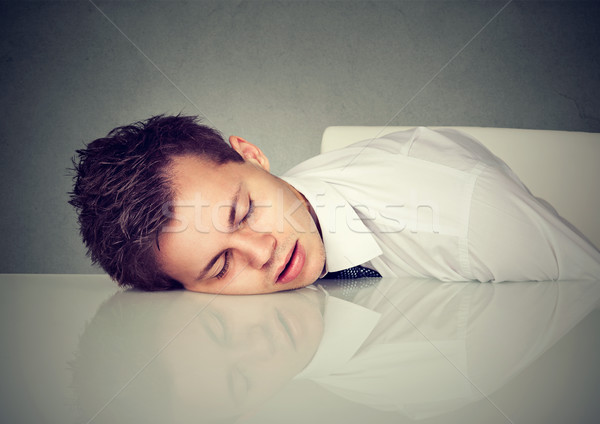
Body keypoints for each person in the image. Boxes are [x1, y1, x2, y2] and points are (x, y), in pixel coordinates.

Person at [69, 115, 600, 294]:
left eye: (244, 211)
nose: (262, 252)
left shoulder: (463, 218)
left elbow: (586, 302)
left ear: (252, 156)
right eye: (220, 264)